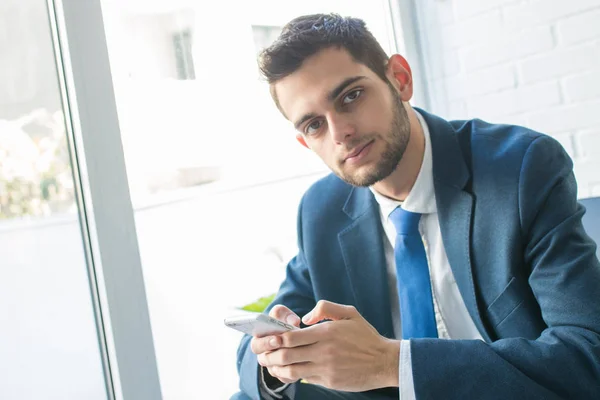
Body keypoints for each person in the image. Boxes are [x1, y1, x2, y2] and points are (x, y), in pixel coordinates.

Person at [233, 13, 600, 400]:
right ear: (306, 143)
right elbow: (260, 341)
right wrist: (274, 361)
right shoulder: (322, 209)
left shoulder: (522, 170)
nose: (340, 133)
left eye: (351, 97)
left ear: (400, 79)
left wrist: (390, 363)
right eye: (314, 125)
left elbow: (588, 354)